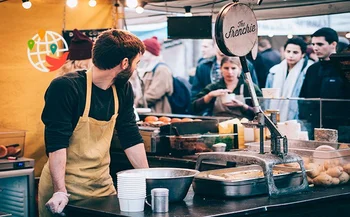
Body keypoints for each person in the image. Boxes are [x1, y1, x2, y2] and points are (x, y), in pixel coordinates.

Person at [39, 29, 149, 217]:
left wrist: (149, 178)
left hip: (101, 187)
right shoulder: (66, 87)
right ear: (124, 63)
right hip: (64, 190)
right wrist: (60, 190)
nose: (135, 69)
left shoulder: (122, 89)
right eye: (136, 63)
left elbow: (129, 135)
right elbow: (56, 142)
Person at [299, 27, 350, 140]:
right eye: (313, 44)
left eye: (320, 44)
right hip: (315, 126)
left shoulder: (344, 67)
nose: (315, 48)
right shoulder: (312, 69)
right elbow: (304, 98)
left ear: (333, 44)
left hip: (341, 128)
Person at [191, 56, 262, 119]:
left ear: (239, 69)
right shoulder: (214, 87)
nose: (230, 72)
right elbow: (194, 107)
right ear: (221, 69)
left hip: (243, 127)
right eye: (226, 68)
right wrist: (209, 96)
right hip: (217, 127)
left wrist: (243, 106)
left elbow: (261, 112)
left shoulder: (249, 87)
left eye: (233, 68)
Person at [265, 38, 313, 121]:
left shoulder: (308, 71)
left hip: (297, 117)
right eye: (288, 51)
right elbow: (267, 98)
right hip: (274, 115)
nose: (291, 55)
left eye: (295, 52)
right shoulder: (274, 72)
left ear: (303, 54)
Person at [136, 36, 173, 113]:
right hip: (148, 110)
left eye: (143, 50)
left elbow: (155, 93)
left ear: (150, 52)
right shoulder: (147, 67)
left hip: (159, 112)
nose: (140, 53)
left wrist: (138, 102)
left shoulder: (162, 69)